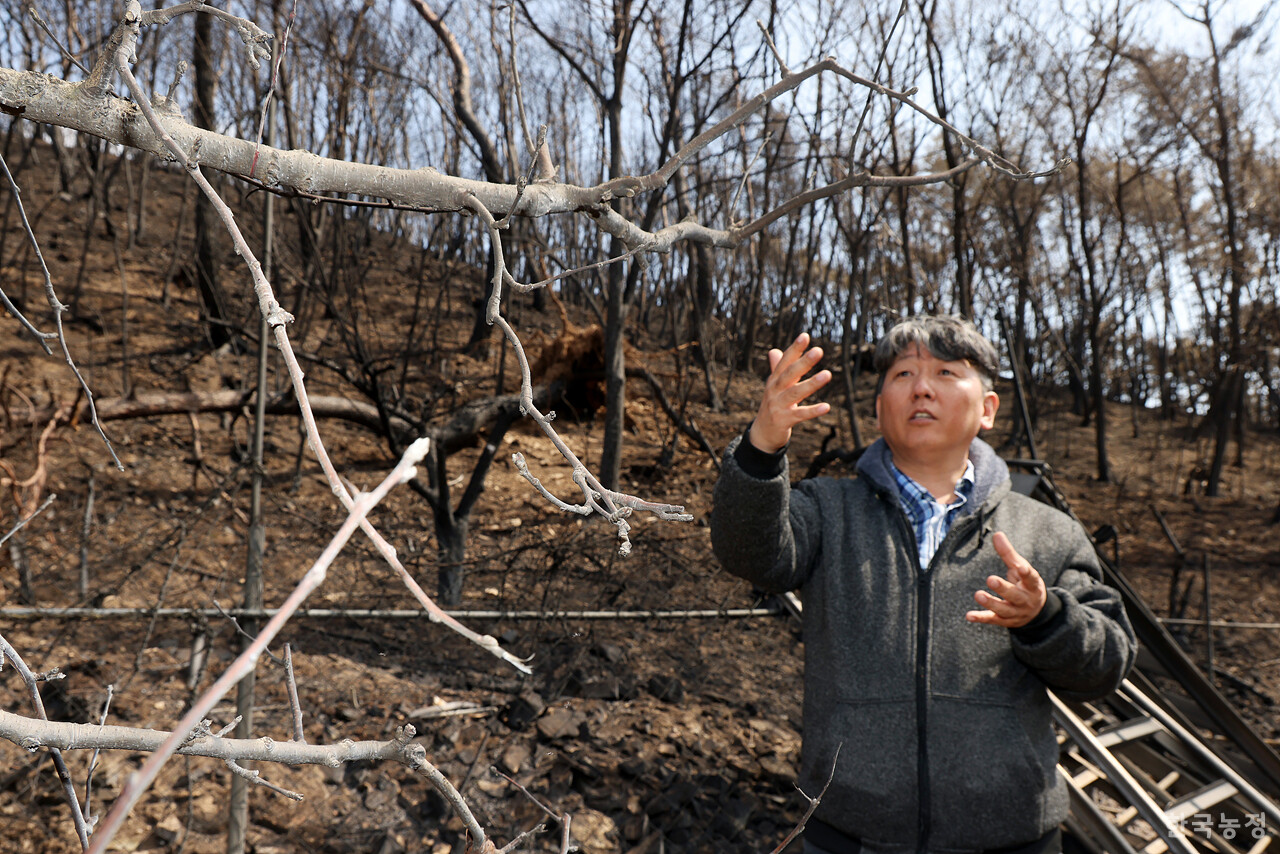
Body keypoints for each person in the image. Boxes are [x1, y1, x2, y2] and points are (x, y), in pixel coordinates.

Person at [710, 316, 1137, 854]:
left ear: (987, 409)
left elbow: (1106, 664)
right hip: (847, 835)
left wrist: (1045, 617)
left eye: (946, 372)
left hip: (1012, 838)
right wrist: (762, 446)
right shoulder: (827, 510)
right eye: (903, 374)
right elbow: (747, 553)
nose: (922, 388)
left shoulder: (1047, 532)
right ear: (878, 408)